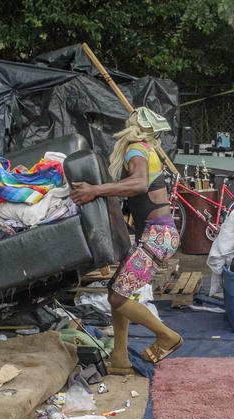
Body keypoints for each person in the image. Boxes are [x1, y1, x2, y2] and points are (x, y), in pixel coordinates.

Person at [70, 107, 182, 374]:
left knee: (118, 297)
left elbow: (139, 184)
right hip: (158, 234)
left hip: (158, 235)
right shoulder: (146, 149)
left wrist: (94, 190)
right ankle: (120, 358)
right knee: (117, 290)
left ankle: (168, 336)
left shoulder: (135, 148)